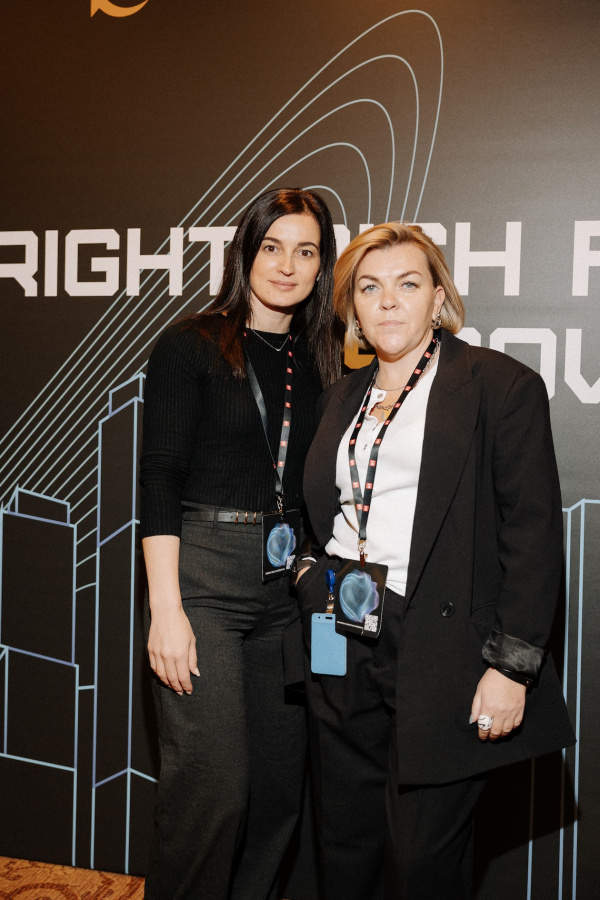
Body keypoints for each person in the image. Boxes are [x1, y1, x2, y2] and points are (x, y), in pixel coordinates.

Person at [295, 223, 575, 900]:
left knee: (423, 863)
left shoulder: (499, 386)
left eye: (408, 284)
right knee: (344, 847)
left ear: (439, 298)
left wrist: (511, 667)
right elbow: (320, 512)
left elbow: (533, 536)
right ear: (352, 309)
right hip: (340, 630)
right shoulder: (340, 398)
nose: (388, 301)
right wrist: (307, 578)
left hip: (439, 645)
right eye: (369, 288)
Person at [139, 187, 343, 900]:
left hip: (290, 586)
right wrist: (166, 609)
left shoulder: (326, 358)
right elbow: (159, 478)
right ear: (245, 253)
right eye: (272, 246)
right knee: (214, 791)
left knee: (279, 794)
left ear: (322, 266)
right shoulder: (190, 345)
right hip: (203, 580)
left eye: (306, 251)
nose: (287, 265)